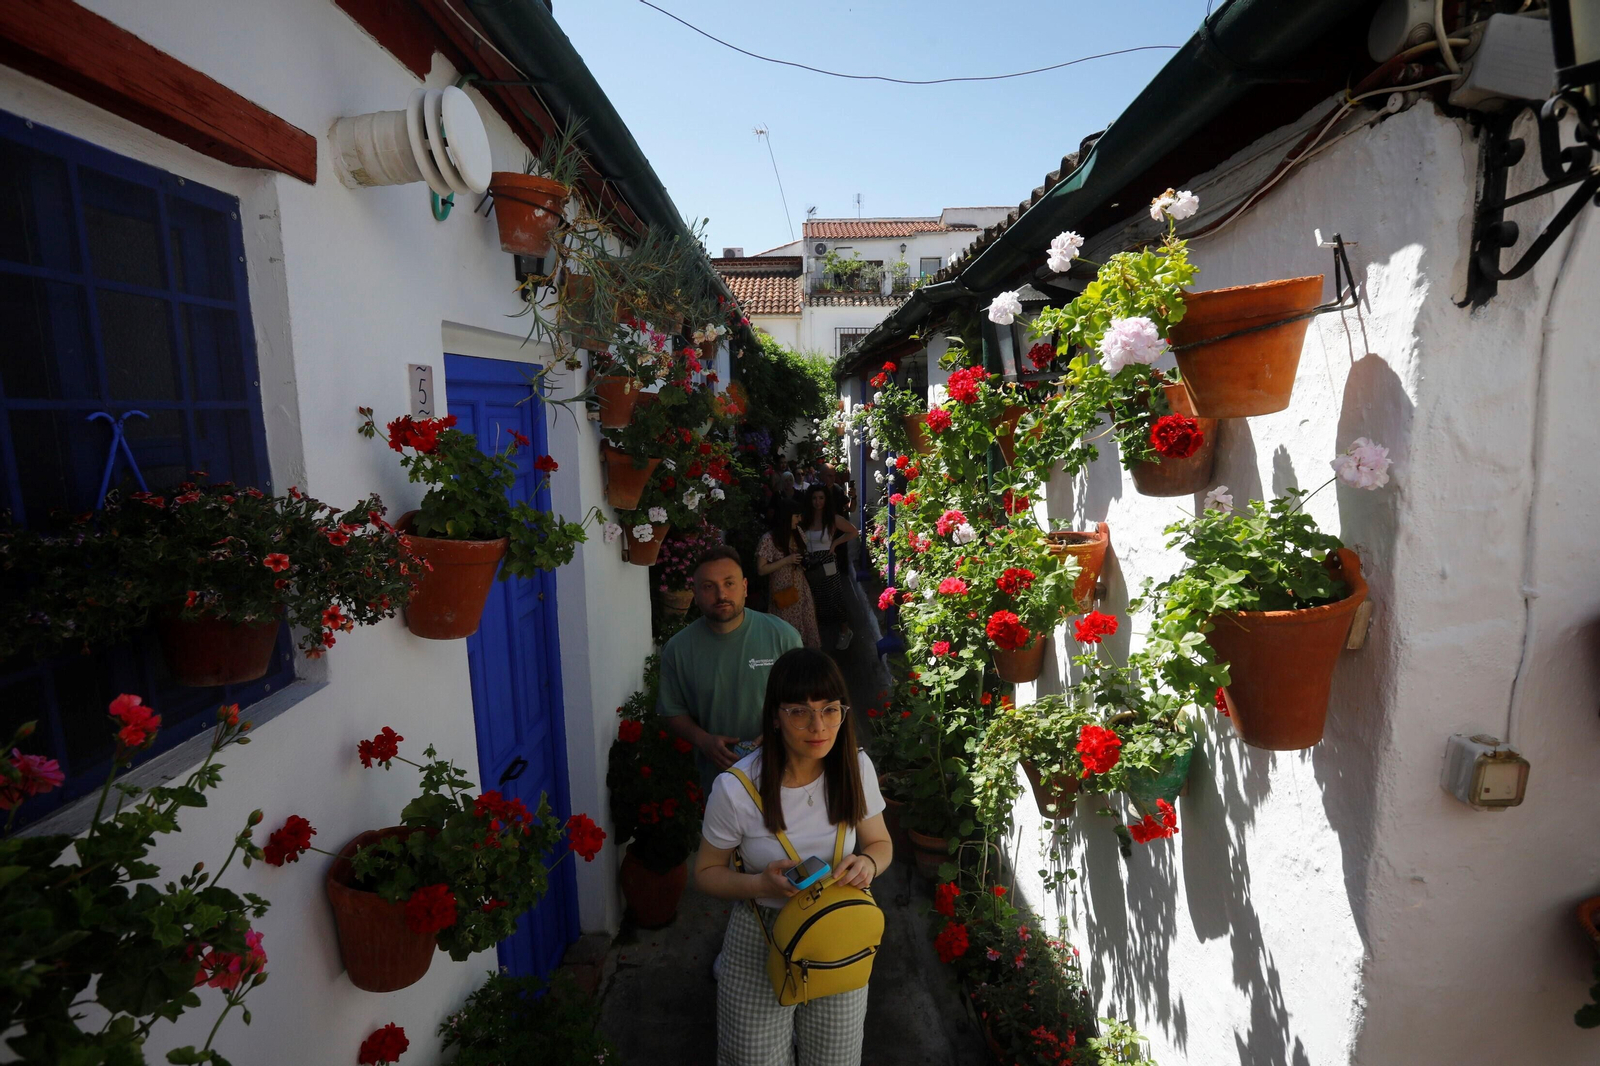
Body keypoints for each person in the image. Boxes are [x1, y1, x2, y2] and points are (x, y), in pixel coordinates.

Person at [696, 648, 891, 1066]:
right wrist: (759, 883)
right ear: (775, 716)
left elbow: (880, 843)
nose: (819, 726)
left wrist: (868, 863)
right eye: (800, 712)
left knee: (835, 1058)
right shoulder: (736, 789)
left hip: (836, 930)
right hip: (761, 930)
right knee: (753, 1058)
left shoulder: (855, 767)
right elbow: (707, 872)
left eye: (830, 710)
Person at [658, 545, 803, 794]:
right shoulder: (678, 650)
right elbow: (672, 711)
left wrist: (778, 732)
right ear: (695, 593)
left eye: (729, 583)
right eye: (708, 586)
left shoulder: (782, 637)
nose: (721, 594)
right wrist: (703, 740)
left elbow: (807, 700)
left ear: (744, 587)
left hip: (784, 775)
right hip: (719, 784)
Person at [756, 498, 820, 649]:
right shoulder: (769, 539)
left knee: (806, 625)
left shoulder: (798, 533)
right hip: (782, 592)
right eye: (796, 516)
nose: (799, 519)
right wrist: (787, 560)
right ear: (786, 516)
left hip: (801, 588)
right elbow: (761, 569)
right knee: (785, 632)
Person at [801, 485, 858, 650]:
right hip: (809, 563)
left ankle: (845, 631)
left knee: (834, 597)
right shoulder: (804, 518)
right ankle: (815, 635)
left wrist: (835, 544)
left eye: (821, 498)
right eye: (814, 498)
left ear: (826, 500)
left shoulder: (832, 518)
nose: (817, 502)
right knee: (813, 598)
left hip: (827, 561)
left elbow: (853, 532)